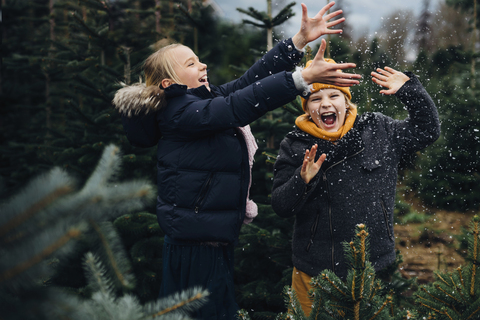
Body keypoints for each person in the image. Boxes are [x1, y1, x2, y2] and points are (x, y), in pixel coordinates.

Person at [112, 2, 361, 319]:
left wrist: (297, 42)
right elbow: (237, 106)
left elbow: (248, 83)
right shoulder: (179, 113)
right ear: (168, 84)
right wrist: (301, 78)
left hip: (210, 237)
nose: (202, 66)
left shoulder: (201, 101)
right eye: (191, 64)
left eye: (199, 60)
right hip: (195, 245)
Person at [271, 59, 440, 316]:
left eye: (334, 95)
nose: (325, 104)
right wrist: (301, 180)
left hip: (373, 266)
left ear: (346, 101)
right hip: (313, 269)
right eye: (315, 99)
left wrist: (410, 91)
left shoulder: (379, 129)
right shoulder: (295, 144)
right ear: (307, 108)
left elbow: (427, 131)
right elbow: (281, 206)